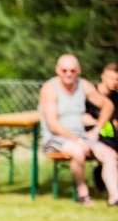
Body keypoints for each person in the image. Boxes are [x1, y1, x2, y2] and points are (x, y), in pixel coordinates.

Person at [39, 54, 118, 206]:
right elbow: (53, 125)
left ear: (79, 70)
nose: (69, 74)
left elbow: (108, 106)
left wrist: (96, 130)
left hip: (82, 136)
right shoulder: (50, 89)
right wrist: (78, 141)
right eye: (64, 70)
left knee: (110, 154)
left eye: (72, 70)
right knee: (78, 151)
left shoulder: (84, 85)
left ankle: (115, 197)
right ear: (57, 70)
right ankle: (82, 192)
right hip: (55, 138)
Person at [83, 62, 118, 193]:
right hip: (90, 135)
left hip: (109, 134)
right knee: (110, 153)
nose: (114, 82)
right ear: (102, 76)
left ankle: (100, 173)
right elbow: (83, 118)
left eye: (116, 79)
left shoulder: (116, 99)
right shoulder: (90, 94)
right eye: (111, 78)